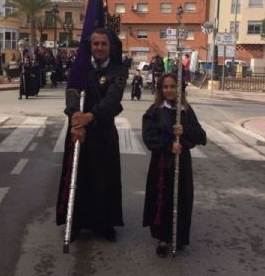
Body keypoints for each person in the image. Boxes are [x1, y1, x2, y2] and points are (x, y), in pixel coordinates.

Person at [56, 28, 127, 242]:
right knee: (79, 178)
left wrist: (90, 117)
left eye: (103, 44)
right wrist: (76, 115)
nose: (99, 48)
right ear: (90, 46)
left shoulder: (118, 71)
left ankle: (104, 224)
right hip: (80, 132)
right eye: (95, 44)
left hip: (103, 133)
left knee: (104, 179)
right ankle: (76, 222)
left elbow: (112, 100)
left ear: (110, 46)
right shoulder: (80, 68)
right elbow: (71, 91)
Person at [142, 73, 207, 257]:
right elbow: (149, 137)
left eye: (173, 86)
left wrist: (184, 130)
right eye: (166, 87)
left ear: (179, 89)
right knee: (163, 198)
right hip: (162, 164)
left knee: (181, 199)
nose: (169, 90)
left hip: (182, 164)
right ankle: (163, 238)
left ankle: (178, 236)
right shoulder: (154, 110)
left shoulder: (185, 110)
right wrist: (169, 145)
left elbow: (201, 137)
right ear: (161, 89)